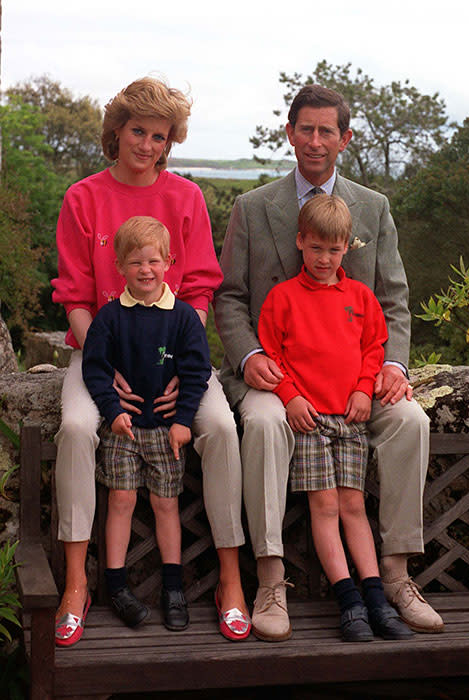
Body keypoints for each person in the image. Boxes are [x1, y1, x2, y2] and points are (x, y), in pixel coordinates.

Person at [214, 84, 444, 641]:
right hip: (278, 375)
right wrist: (248, 356)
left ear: (344, 138)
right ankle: (270, 580)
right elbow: (229, 298)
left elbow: (392, 300)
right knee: (266, 423)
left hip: (355, 380)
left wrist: (392, 366)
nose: (315, 141)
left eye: (327, 131)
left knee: (411, 421)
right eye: (305, 129)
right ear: (289, 132)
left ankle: (394, 574)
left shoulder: (373, 207)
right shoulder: (252, 207)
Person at [52, 77, 250, 647]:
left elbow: (200, 294)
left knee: (219, 425)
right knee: (74, 426)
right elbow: (75, 299)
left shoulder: (186, 198)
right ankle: (75, 585)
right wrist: (102, 360)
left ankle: (231, 582)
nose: (146, 145)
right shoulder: (82, 197)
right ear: (117, 131)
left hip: (173, 359)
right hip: (100, 353)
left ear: (170, 142)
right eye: (137, 131)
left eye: (159, 136)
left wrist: (177, 373)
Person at [257, 194, 413, 641]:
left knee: (354, 507)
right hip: (309, 420)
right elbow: (271, 356)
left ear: (347, 247)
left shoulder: (360, 297)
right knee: (324, 507)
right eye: (316, 248)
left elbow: (373, 349)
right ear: (301, 242)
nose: (324, 259)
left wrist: (365, 388)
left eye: (334, 249)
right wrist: (289, 397)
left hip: (350, 417)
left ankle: (377, 600)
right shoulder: (282, 298)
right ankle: (349, 603)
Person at [81, 216, 211, 631]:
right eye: (135, 262)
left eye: (153, 261)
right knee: (120, 502)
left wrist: (184, 421)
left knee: (165, 504)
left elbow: (196, 372)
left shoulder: (185, 318)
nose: (145, 270)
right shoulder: (109, 318)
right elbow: (96, 371)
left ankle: (173, 587)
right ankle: (116, 586)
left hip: (167, 431)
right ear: (119, 266)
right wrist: (112, 411)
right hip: (124, 428)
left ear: (169, 262)